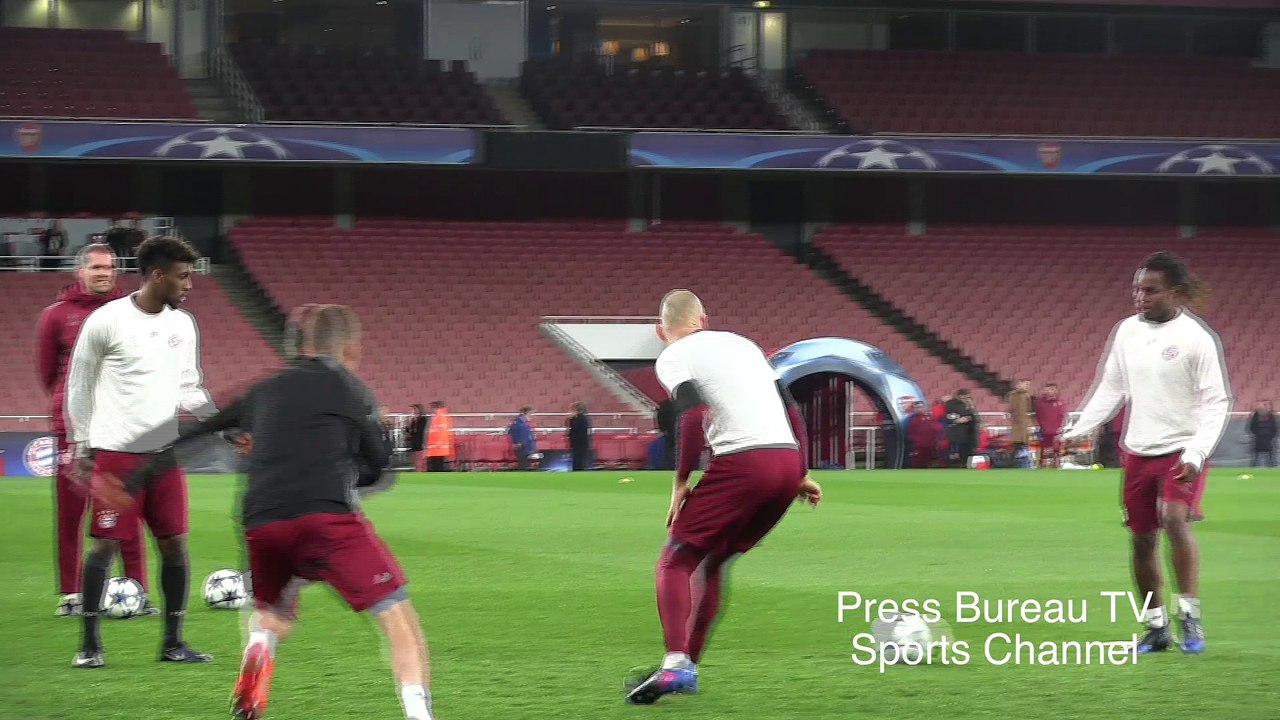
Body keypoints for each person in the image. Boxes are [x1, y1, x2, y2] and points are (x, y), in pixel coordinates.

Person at [103, 304, 434, 720]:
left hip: (262, 521)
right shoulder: (350, 389)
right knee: (397, 616)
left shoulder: (262, 390)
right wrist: (350, 473)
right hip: (325, 519)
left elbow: (188, 433)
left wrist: (130, 482)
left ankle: (258, 650)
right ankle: (419, 713)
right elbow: (379, 464)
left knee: (272, 611)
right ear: (350, 347)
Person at [625, 290, 821, 705]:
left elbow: (693, 414)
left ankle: (676, 664)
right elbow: (791, 411)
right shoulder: (744, 345)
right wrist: (799, 473)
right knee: (714, 561)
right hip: (785, 462)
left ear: (661, 330)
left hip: (743, 464)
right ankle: (686, 668)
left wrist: (681, 480)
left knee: (675, 560)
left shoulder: (673, 356)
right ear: (704, 319)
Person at [62, 236, 224, 668]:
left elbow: (190, 385)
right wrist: (81, 444)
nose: (189, 284)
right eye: (183, 276)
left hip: (164, 456)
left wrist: (223, 424)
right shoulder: (107, 321)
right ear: (157, 276)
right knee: (104, 547)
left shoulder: (183, 324)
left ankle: (172, 643)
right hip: (117, 455)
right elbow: (78, 386)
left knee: (174, 544)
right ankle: (90, 646)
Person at [1061, 251, 1231, 655]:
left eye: (1150, 290)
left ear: (1174, 292)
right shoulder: (1126, 332)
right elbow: (1112, 388)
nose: (1140, 297)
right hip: (1137, 450)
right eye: (1137, 289)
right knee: (1141, 540)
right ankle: (1155, 626)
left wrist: (1196, 453)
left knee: (1174, 518)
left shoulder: (1196, 339)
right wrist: (1080, 428)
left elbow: (1216, 401)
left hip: (1182, 449)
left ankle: (1189, 614)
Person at [35, 244, 156, 617]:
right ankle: (71, 595)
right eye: (97, 267)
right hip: (75, 429)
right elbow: (47, 373)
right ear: (81, 271)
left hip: (123, 426)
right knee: (71, 512)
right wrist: (69, 414)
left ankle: (136, 589)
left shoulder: (133, 310)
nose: (104, 273)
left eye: (110, 267)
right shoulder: (56, 316)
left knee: (127, 508)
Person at [1034, 383, 1066, 468]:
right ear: (1044, 391)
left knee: (1056, 450)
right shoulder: (1040, 402)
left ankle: (1057, 465)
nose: (1050, 392)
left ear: (1056, 391)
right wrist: (1040, 426)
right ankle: (1043, 466)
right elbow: (1037, 415)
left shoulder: (1060, 402)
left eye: (1052, 389)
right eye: (1048, 389)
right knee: (1044, 450)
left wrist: (1061, 428)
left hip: (1056, 431)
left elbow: (1063, 416)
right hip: (1044, 430)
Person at [944, 389, 978, 467]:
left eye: (968, 397)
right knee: (958, 454)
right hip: (958, 433)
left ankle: (967, 465)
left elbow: (975, 419)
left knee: (969, 453)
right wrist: (957, 420)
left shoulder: (969, 405)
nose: (967, 399)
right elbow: (949, 416)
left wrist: (971, 410)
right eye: (965, 397)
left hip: (970, 433)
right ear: (960, 396)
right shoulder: (952, 403)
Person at [904, 401, 939, 469]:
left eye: (921, 407)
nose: (919, 409)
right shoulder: (911, 419)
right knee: (917, 463)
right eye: (917, 408)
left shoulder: (929, 417)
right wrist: (916, 441)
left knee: (927, 462)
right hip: (918, 445)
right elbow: (909, 432)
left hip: (929, 445)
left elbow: (936, 428)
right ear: (914, 409)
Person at [1006, 379, 1033, 462]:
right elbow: (1011, 409)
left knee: (1024, 444)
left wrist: (1029, 424)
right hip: (1017, 424)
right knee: (1017, 445)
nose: (1027, 386)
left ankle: (1023, 462)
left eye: (1029, 384)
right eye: (1026, 384)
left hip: (1025, 424)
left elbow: (1028, 410)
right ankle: (1013, 462)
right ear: (1020, 384)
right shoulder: (1013, 395)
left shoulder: (1027, 396)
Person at [423, 401, 453, 472]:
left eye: (432, 408)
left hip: (438, 447)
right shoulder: (437, 417)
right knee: (436, 465)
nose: (431, 410)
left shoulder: (441, 417)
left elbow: (441, 432)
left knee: (438, 466)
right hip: (435, 447)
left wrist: (438, 443)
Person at [1247, 401, 1276, 468]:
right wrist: (1257, 435)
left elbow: (1274, 427)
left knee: (1270, 458)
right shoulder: (1256, 415)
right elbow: (1252, 426)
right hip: (1259, 439)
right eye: (1264, 404)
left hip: (1268, 440)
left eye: (1267, 404)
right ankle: (1252, 470)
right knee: (1255, 458)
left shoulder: (1271, 415)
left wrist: (1270, 437)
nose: (1266, 406)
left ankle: (1272, 471)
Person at [567, 402, 593, 471]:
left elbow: (575, 428)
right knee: (579, 458)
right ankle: (578, 470)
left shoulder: (580, 418)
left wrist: (571, 419)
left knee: (578, 458)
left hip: (579, 441)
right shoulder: (584, 418)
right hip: (580, 441)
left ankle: (578, 470)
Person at [405, 404, 428, 469]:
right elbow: (408, 431)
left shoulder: (423, 419)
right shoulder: (413, 420)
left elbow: (418, 431)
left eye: (414, 409)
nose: (412, 411)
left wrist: (414, 421)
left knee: (420, 463)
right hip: (413, 444)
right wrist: (409, 423)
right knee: (416, 462)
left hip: (420, 443)